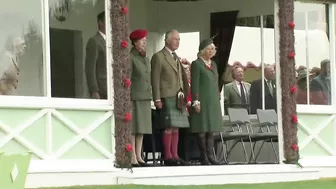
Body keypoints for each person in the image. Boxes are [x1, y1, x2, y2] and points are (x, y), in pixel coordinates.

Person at [151, 29, 189, 166]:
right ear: (167, 40)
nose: (177, 42)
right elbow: (154, 79)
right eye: (175, 39)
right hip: (166, 96)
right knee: (168, 127)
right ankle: (168, 156)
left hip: (178, 97)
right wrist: (157, 98)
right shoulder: (159, 56)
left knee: (176, 127)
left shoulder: (176, 57)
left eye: (179, 39)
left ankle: (175, 155)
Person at [189, 39, 222, 165]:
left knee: (211, 129)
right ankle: (203, 156)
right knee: (202, 128)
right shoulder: (197, 64)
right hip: (202, 100)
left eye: (213, 48)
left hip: (212, 100)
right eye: (209, 48)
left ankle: (211, 155)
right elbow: (195, 83)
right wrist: (196, 101)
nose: (212, 51)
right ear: (203, 51)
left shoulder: (213, 64)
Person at [129, 29, 152, 167]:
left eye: (145, 41)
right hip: (135, 96)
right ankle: (132, 156)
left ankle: (139, 155)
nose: (145, 43)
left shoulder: (145, 58)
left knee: (142, 128)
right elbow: (129, 78)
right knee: (134, 128)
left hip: (145, 96)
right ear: (135, 43)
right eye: (142, 41)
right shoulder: (131, 57)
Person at [85, 11, 107, 99]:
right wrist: (94, 90)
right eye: (108, 21)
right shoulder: (94, 41)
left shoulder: (111, 41)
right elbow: (90, 68)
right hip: (101, 90)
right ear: (100, 22)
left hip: (112, 89)